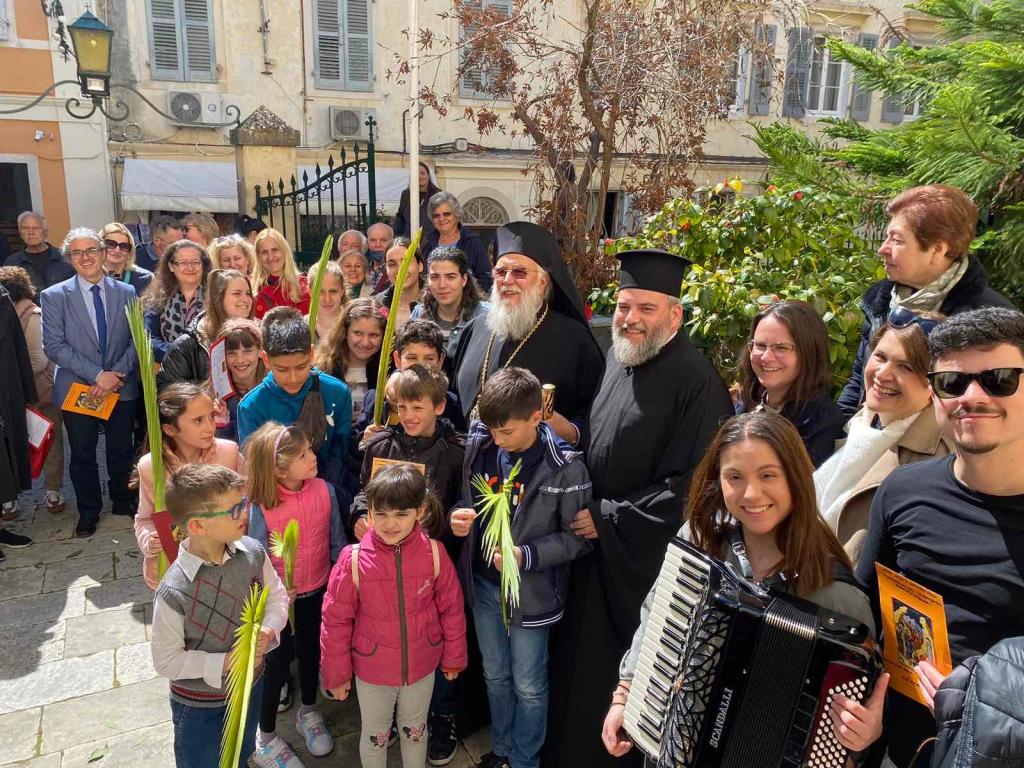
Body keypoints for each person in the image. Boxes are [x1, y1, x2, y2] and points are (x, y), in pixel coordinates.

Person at [600, 412, 883, 762]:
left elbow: (853, 739)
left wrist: (863, 736)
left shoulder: (840, 598)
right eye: (735, 477)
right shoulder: (699, 544)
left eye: (768, 475)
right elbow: (655, 619)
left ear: (795, 478)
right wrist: (624, 694)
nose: (751, 493)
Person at [546, 248, 733, 768]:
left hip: (638, 567)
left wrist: (608, 515)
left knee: (611, 680)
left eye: (645, 309)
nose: (630, 318)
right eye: (625, 306)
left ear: (675, 314)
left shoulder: (697, 380)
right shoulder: (619, 356)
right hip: (595, 552)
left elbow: (695, 485)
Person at [855, 307, 1024, 767]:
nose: (973, 396)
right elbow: (864, 623)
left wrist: (981, 700)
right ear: (934, 395)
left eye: (1000, 379)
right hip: (901, 751)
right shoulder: (902, 490)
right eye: (953, 383)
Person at [449, 367, 592, 768]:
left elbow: (577, 538)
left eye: (508, 432)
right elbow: (464, 500)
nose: (499, 441)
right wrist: (458, 516)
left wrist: (525, 555)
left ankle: (526, 760)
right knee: (495, 675)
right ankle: (502, 749)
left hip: (532, 596)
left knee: (529, 685)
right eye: (492, 430)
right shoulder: (481, 444)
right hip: (485, 588)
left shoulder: (565, 468)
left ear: (536, 417)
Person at [320, 463, 468, 768]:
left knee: (415, 733)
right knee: (375, 736)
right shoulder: (353, 560)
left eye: (401, 514)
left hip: (421, 668)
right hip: (372, 672)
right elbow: (335, 621)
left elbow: (452, 609)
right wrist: (336, 674)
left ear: (421, 510)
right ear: (370, 512)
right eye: (382, 514)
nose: (390, 524)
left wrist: (454, 657)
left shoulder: (435, 554)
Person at [151, 463, 288, 768]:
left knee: (241, 755)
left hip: (251, 687)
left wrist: (268, 630)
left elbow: (277, 597)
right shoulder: (173, 591)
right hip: (200, 707)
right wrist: (227, 662)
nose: (244, 513)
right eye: (235, 509)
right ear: (198, 526)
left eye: (244, 503)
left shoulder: (252, 553)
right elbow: (166, 661)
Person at [838, 184, 1012, 415]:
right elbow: (857, 385)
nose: (882, 249)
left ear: (937, 249)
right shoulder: (879, 302)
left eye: (897, 240)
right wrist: (841, 440)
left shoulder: (989, 320)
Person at [246, 423, 346, 768]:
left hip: (317, 592)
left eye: (310, 450)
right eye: (303, 455)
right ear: (278, 469)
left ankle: (308, 711)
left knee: (310, 654)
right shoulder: (261, 506)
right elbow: (253, 558)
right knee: (275, 665)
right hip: (279, 604)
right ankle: (266, 734)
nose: (313, 457)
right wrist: (269, 591)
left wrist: (341, 580)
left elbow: (337, 544)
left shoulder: (325, 491)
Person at [815, 309, 952, 561]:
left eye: (906, 367)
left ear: (935, 383)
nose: (882, 374)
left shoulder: (936, 462)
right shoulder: (864, 422)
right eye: (880, 356)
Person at [452, 222, 604, 446]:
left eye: (519, 272)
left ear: (543, 282)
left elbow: (594, 411)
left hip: (536, 472)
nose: (507, 280)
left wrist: (571, 431)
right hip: (470, 465)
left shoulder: (574, 339)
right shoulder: (474, 329)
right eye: (500, 272)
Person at [41, 228, 140, 538]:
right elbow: (54, 346)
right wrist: (98, 376)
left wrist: (114, 376)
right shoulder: (54, 296)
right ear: (69, 258)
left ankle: (122, 501)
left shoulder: (127, 292)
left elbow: (137, 341)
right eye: (77, 252)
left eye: (91, 250)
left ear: (102, 252)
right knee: (82, 454)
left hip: (121, 387)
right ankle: (88, 510)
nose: (85, 257)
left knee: (120, 449)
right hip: (77, 389)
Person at [237, 307, 352, 513]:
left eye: (301, 367)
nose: (293, 378)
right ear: (265, 360)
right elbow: (258, 470)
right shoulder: (251, 407)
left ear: (311, 354)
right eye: (282, 369)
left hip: (327, 499)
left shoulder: (337, 393)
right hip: (276, 505)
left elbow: (340, 453)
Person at [134, 383, 247, 589]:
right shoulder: (152, 467)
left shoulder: (229, 454)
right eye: (198, 421)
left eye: (211, 417)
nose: (210, 426)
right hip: (176, 573)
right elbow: (144, 519)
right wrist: (149, 542)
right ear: (170, 429)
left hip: (226, 564)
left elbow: (249, 502)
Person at [350, 365, 465, 542]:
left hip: (432, 553)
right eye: (402, 407)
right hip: (382, 552)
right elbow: (365, 493)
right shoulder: (380, 446)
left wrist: (455, 517)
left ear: (439, 406)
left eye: (417, 408)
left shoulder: (457, 453)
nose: (408, 416)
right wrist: (360, 515)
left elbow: (461, 502)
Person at [736, 300, 847, 467]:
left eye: (781, 348)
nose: (766, 357)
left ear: (809, 353)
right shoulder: (748, 403)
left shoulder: (822, 424)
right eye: (759, 345)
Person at [0, 266, 64, 515]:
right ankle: (11, 496)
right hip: (16, 393)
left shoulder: (31, 314)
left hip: (38, 392)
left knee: (49, 442)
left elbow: (38, 361)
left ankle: (52, 491)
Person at [357, 319, 467, 436]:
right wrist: (364, 439)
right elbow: (356, 442)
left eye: (429, 359)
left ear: (440, 362)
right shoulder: (376, 400)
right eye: (412, 358)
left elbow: (461, 441)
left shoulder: (449, 403)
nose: (420, 366)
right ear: (397, 360)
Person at [157, 269, 255, 388]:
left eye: (248, 293)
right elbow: (167, 391)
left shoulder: (260, 335)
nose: (246, 299)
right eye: (237, 293)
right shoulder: (187, 345)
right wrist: (204, 397)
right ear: (218, 298)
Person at [0, 281, 36, 554]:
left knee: (4, 463)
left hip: (4, 392)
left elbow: (17, 347)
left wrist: (26, 392)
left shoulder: (1, 296)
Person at [411, 246, 488, 362]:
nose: (442, 285)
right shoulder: (419, 314)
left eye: (450, 277)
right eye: (435, 277)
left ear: (464, 279)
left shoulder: (485, 316)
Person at [315, 297, 385, 420]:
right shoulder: (326, 367)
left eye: (374, 335)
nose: (365, 342)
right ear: (345, 332)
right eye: (357, 333)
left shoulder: (388, 370)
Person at [143, 239, 212, 362]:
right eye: (183, 263)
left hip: (207, 367)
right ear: (171, 266)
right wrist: (177, 352)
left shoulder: (215, 296)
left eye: (195, 262)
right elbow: (148, 337)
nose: (190, 268)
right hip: (171, 368)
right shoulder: (158, 297)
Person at [423, 192, 491, 291]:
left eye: (447, 214)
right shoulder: (427, 242)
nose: (441, 219)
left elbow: (485, 278)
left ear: (457, 215)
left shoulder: (472, 242)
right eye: (436, 215)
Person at [215, 319, 266, 442]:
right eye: (232, 353)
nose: (240, 360)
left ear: (260, 351)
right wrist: (222, 421)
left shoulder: (271, 387)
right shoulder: (218, 396)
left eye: (247, 351)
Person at [3, 211, 74, 291]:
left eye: (36, 228)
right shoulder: (12, 263)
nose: (31, 232)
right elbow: (8, 296)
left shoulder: (65, 257)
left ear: (45, 231)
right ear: (20, 233)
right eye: (25, 228)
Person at [252, 228, 310, 319]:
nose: (270, 257)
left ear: (284, 251)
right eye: (264, 252)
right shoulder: (250, 288)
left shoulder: (303, 287)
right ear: (258, 256)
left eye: (275, 250)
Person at [374, 240, 424, 328]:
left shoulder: (436, 301)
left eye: (406, 262)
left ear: (420, 266)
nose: (400, 270)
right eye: (392, 264)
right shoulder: (376, 306)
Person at [98, 222, 153, 296]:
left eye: (124, 246)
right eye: (111, 244)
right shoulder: (88, 275)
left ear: (130, 251)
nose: (117, 250)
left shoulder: (145, 279)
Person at [395, 161, 441, 240]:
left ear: (428, 176)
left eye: (422, 173)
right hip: (408, 239)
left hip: (430, 240)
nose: (419, 176)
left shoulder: (438, 195)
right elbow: (401, 216)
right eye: (416, 174)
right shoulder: (406, 194)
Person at [305, 259, 347, 342]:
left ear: (342, 291)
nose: (327, 299)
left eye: (333, 291)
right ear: (310, 292)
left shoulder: (353, 324)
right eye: (320, 292)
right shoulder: (302, 327)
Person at [367, 222, 394, 292]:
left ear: (392, 242)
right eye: (373, 240)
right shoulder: (361, 268)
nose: (378, 245)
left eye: (383, 240)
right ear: (367, 242)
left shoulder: (397, 270)